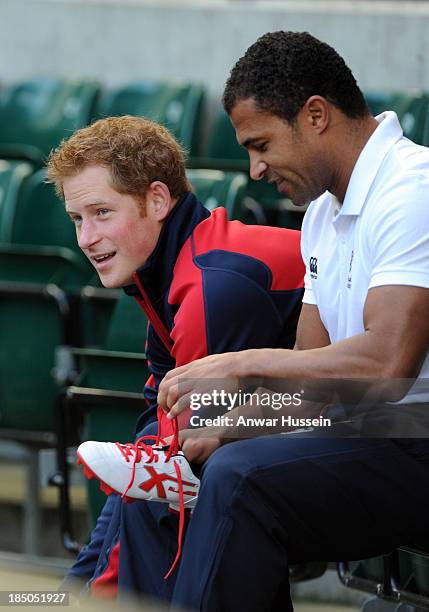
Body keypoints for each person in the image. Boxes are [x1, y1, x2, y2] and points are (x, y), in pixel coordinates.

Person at [149, 31, 429, 611]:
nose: (253, 169)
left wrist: (239, 366)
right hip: (380, 435)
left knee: (243, 482)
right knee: (219, 464)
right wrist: (226, 427)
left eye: (261, 144)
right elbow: (309, 388)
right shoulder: (322, 216)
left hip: (415, 436)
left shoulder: (414, 189)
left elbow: (387, 366)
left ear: (316, 116)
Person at [46, 114, 305, 599]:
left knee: (164, 495)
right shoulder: (167, 275)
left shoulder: (210, 288)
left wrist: (78, 597)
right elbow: (156, 437)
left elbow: (176, 464)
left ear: (158, 200)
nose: (86, 239)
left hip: (384, 431)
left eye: (102, 212)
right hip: (303, 431)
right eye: (77, 219)